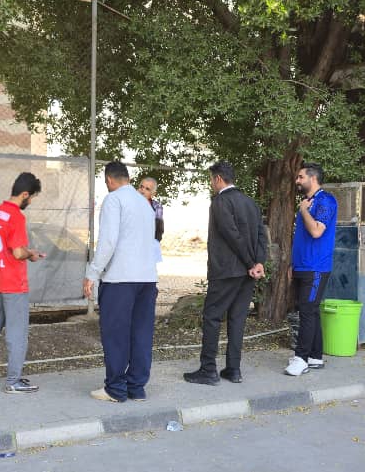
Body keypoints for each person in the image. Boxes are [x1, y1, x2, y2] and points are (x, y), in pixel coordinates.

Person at [183, 160, 266, 386]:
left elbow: (231, 235)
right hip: (247, 273)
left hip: (226, 271)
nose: (211, 184)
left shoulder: (220, 201)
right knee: (237, 319)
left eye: (212, 180)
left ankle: (208, 370)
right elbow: (261, 234)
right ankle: (233, 369)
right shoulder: (250, 202)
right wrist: (258, 263)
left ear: (218, 178)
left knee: (212, 317)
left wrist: (250, 262)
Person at [83, 161, 157, 402]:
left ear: (109, 180)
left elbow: (108, 241)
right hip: (147, 278)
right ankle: (136, 387)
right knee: (141, 334)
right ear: (129, 178)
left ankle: (115, 388)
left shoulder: (114, 200)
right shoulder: (145, 204)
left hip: (120, 278)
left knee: (115, 334)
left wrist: (93, 272)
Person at [0, 172, 45, 393]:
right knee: (17, 334)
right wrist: (31, 254)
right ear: (24, 194)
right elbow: (17, 253)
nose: (30, 201)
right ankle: (13, 381)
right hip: (13, 283)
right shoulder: (16, 216)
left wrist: (25, 251)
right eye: (31, 197)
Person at [285, 161, 338, 376]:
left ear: (313, 178)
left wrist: (304, 211)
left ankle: (301, 359)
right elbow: (302, 238)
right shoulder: (307, 202)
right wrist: (293, 264)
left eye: (300, 177)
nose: (297, 180)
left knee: (306, 312)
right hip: (302, 265)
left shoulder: (326, 200)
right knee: (311, 311)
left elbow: (316, 231)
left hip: (316, 267)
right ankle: (315, 356)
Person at [138, 177, 164, 263]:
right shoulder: (129, 203)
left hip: (149, 245)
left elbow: (158, 229)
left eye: (147, 189)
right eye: (141, 187)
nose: (143, 190)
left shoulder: (157, 206)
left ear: (153, 193)